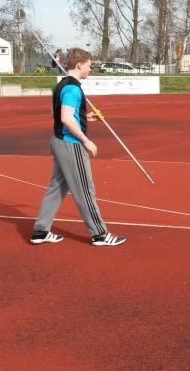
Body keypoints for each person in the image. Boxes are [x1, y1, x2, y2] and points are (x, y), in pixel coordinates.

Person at [31, 48, 126, 246]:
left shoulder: (62, 85)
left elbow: (58, 114)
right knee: (85, 189)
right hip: (71, 144)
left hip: (59, 141)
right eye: (89, 65)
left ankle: (40, 231)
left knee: (57, 187)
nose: (90, 69)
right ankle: (99, 234)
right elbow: (66, 118)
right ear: (80, 64)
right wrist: (85, 140)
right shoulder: (73, 89)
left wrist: (84, 117)